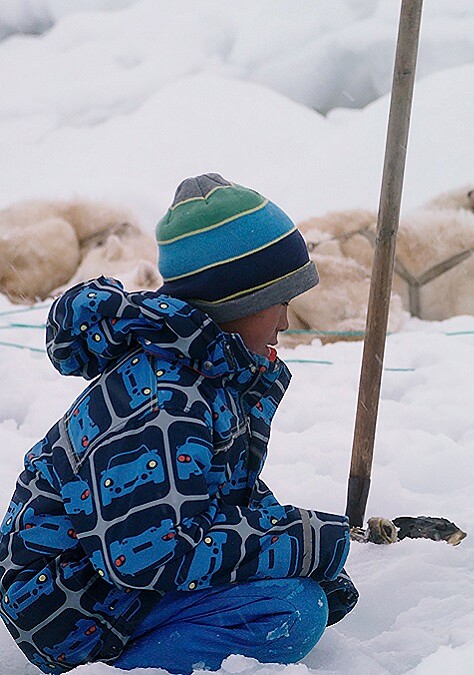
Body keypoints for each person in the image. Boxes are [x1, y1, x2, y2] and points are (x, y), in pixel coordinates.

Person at [0, 174, 357, 672]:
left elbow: (220, 494)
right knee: (289, 613)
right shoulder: (163, 402)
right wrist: (298, 545)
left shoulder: (210, 376)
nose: (285, 322)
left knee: (296, 594)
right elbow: (146, 556)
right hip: (64, 607)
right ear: (238, 301)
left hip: (104, 587)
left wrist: (302, 552)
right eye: (281, 301)